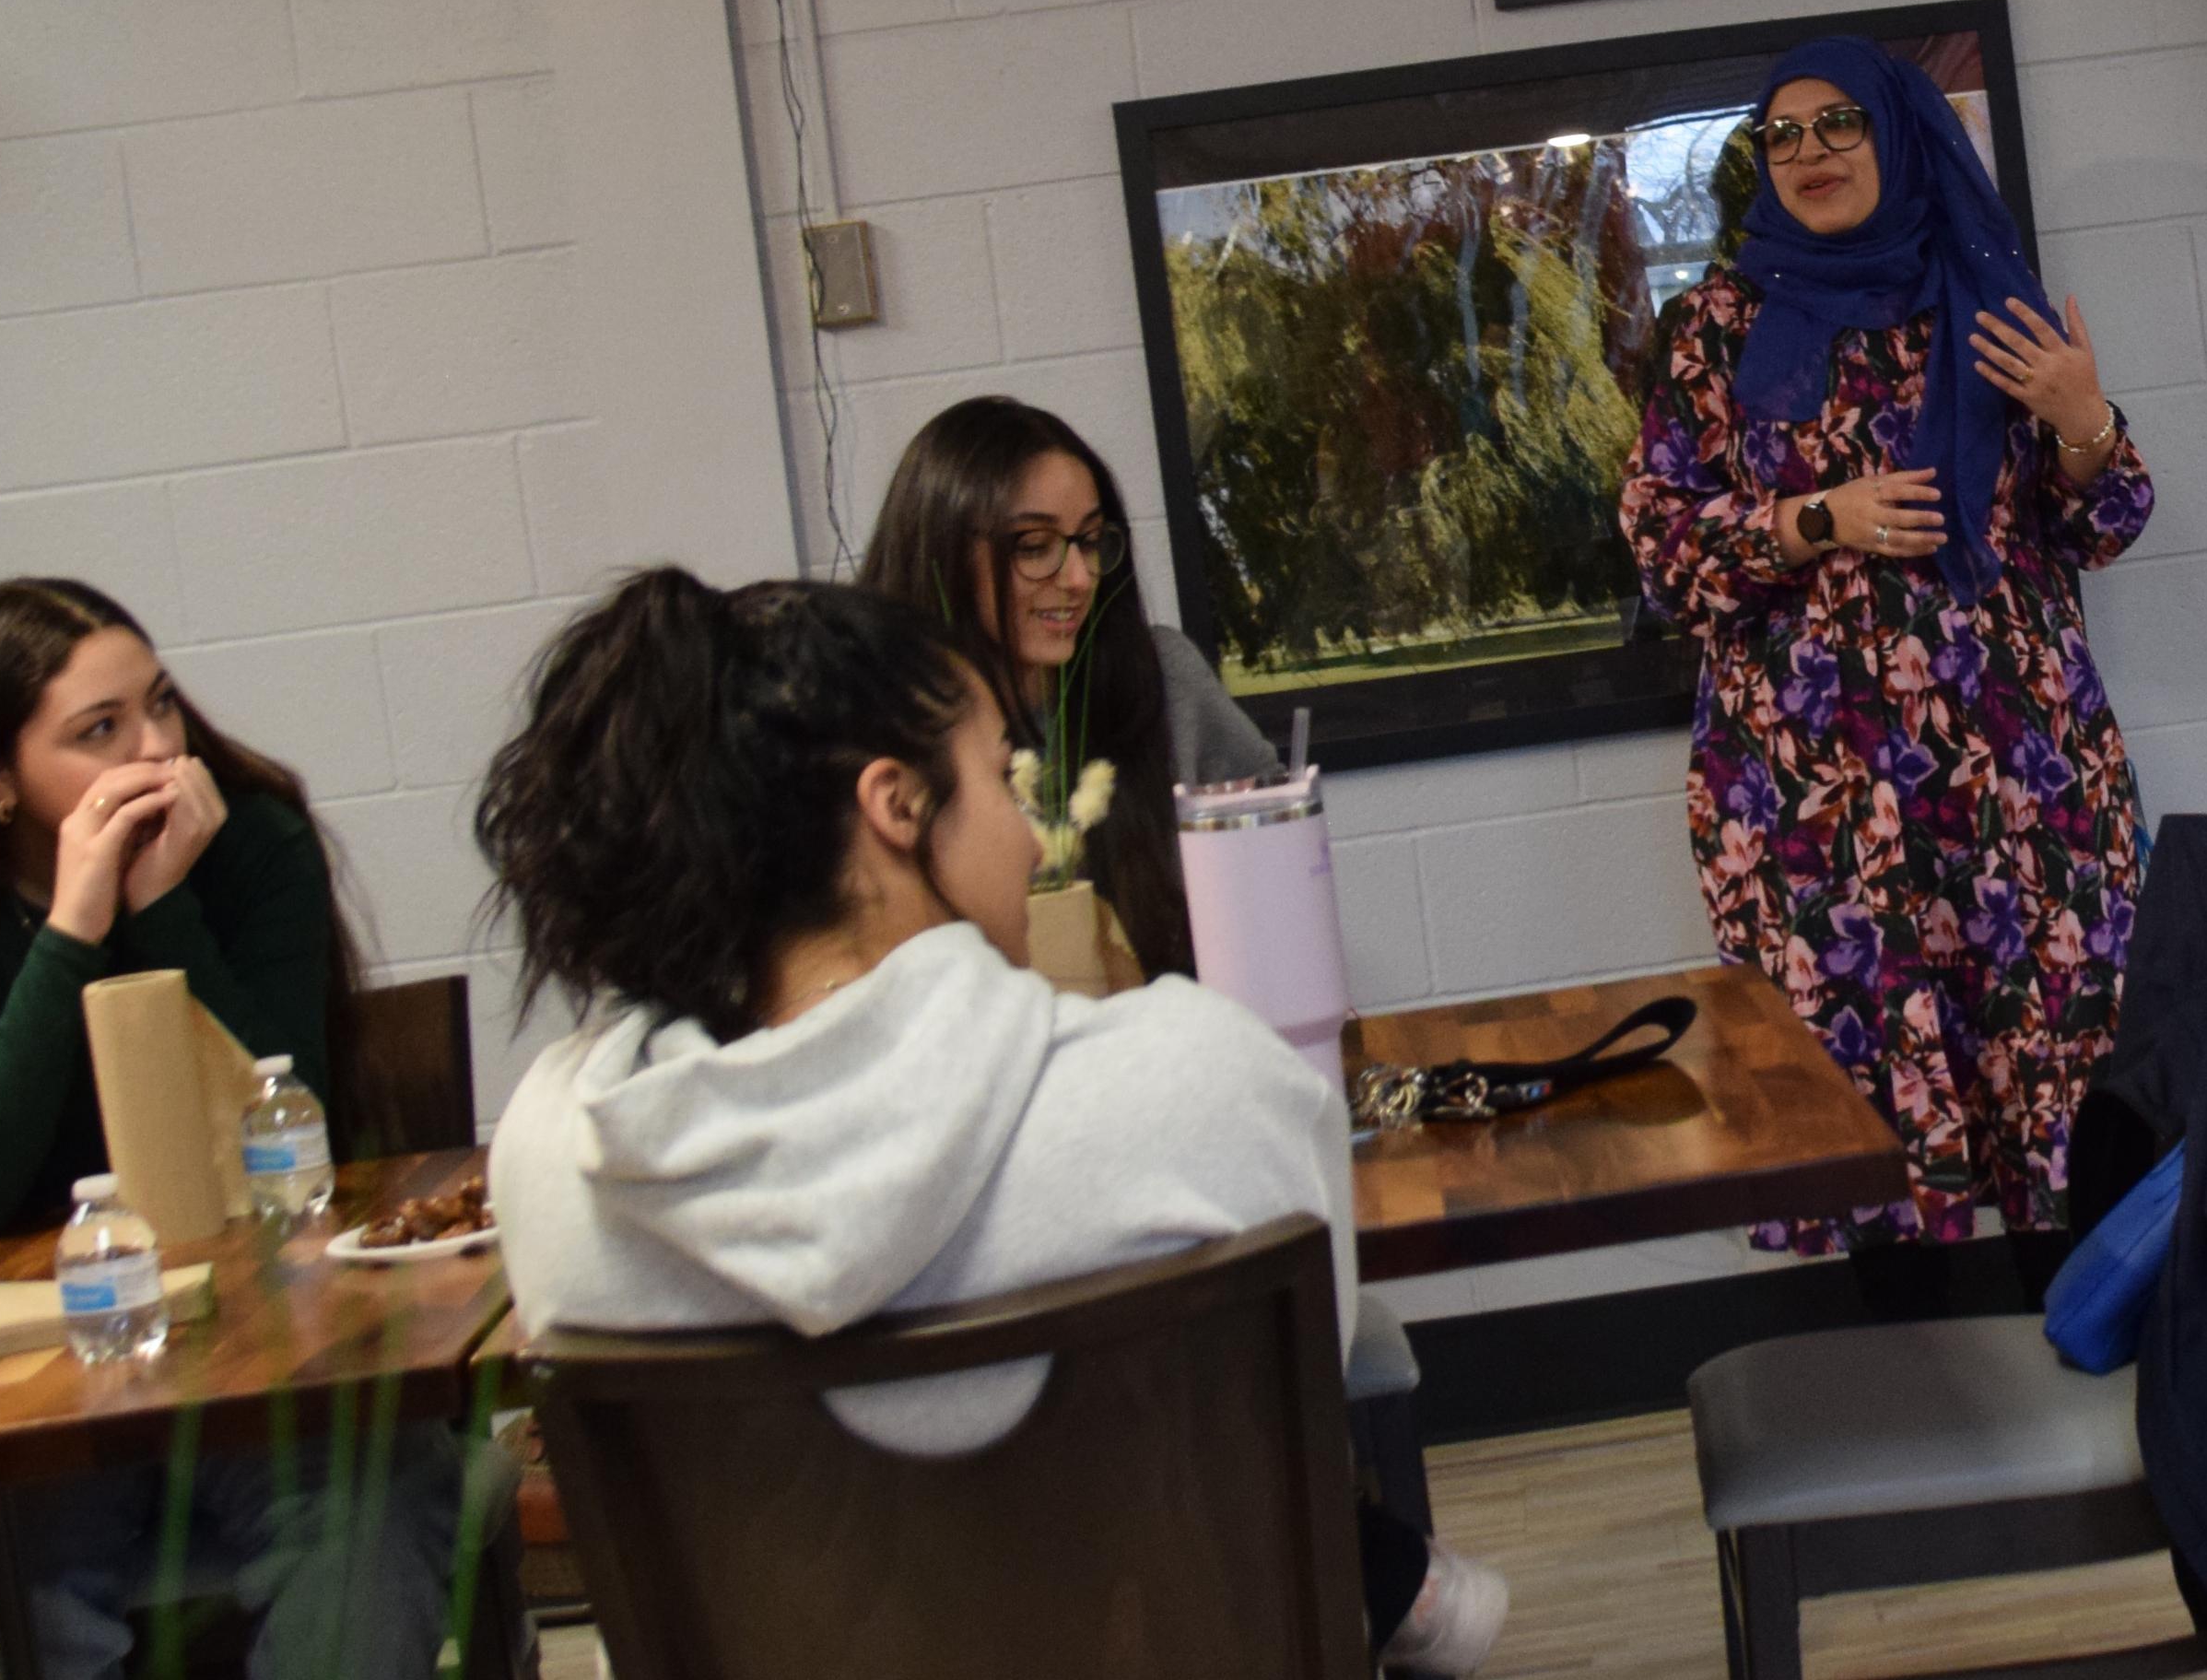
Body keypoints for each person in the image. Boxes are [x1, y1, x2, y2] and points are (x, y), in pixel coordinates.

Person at [476, 571, 1501, 1674]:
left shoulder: (560, 1157)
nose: (1029, 835)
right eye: (1002, 780)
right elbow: (1309, 1384)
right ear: (896, 805)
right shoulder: (1203, 1084)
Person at [0, 579, 450, 1680]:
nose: (157, 749)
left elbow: (283, 1122)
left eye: (160, 703)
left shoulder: (249, 840)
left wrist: (161, 908)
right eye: (99, 730)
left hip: (263, 1334)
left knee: (369, 1506)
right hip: (34, 1369)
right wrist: (74, 927)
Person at [1617, 37, 2154, 1307]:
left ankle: (2093, 1365)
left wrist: (2085, 421)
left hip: (2023, 780)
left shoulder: (1993, 302)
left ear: (1901, 132)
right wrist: (1820, 518)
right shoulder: (1716, 331)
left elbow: (2099, 524)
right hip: (1813, 798)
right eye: (1782, 134)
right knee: (1859, 1099)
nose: (1808, 152)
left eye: (1839, 123)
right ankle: (1917, 1398)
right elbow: (1663, 546)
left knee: (2059, 1085)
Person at [856, 395, 1276, 979]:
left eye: (1091, 541)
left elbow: (1273, 885)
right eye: (1035, 547)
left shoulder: (1161, 680)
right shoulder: (868, 730)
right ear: (942, 552)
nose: (1079, 578)